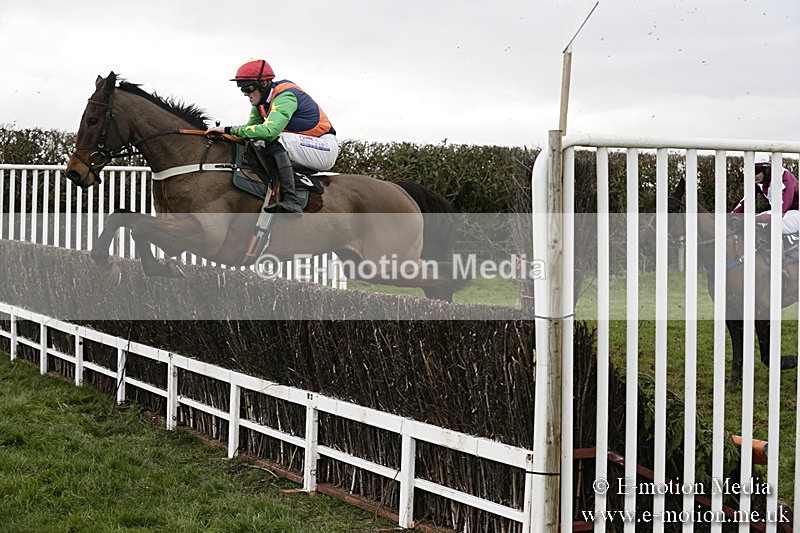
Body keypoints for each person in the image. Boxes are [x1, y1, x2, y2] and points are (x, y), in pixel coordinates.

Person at [206, 58, 339, 214]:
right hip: (300, 145)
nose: (245, 93)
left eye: (248, 88)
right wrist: (224, 136)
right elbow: (250, 132)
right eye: (241, 88)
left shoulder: (286, 96)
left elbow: (269, 131)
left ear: (263, 84)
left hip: (323, 148)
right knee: (256, 141)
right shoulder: (260, 104)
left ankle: (291, 200)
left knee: (272, 138)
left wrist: (227, 129)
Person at [732, 152, 800, 238]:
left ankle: (781, 251)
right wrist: (732, 216)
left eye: (756, 171)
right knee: (757, 223)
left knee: (770, 224)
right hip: (787, 213)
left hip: (794, 212)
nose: (753, 175)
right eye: (749, 171)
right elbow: (746, 200)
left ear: (766, 169)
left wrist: (756, 219)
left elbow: (780, 210)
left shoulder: (784, 178)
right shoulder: (759, 180)